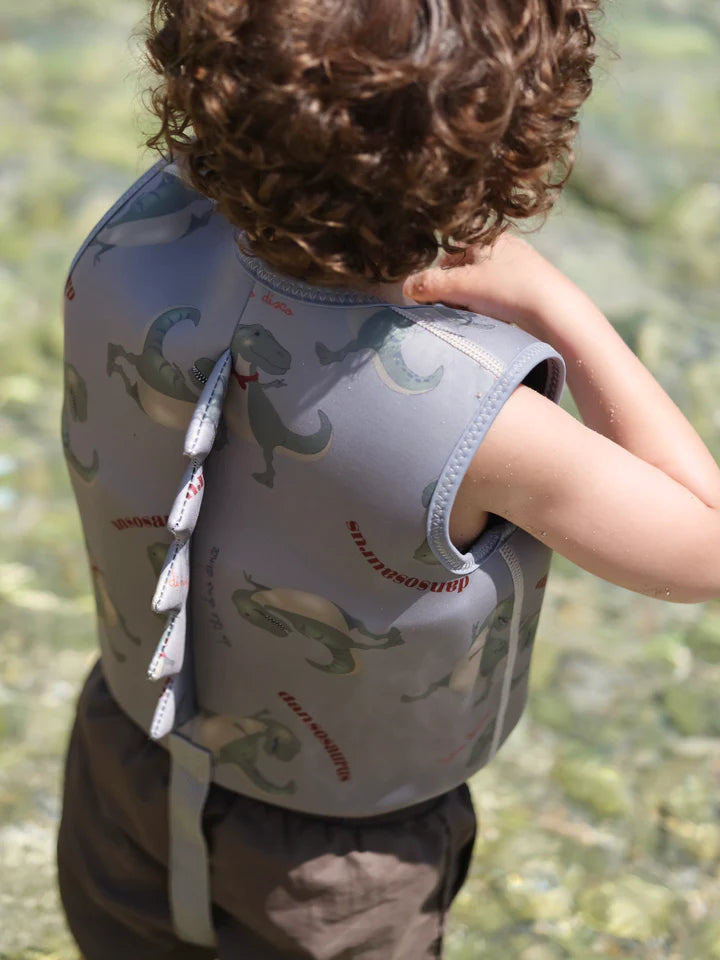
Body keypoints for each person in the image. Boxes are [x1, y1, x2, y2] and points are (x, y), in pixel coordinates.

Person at [56, 1, 720, 959]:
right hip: (340, 867)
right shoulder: (493, 430)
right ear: (509, 146)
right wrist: (557, 304)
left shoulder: (126, 247)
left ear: (204, 78)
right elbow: (703, 547)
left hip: (125, 756)